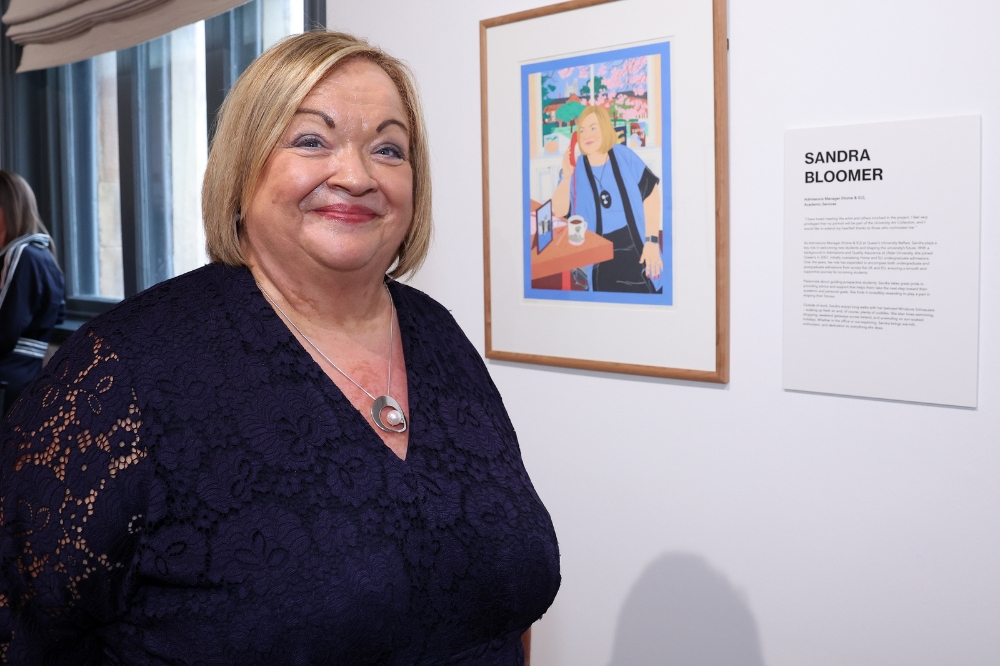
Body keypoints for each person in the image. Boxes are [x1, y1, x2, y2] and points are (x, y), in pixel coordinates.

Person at [0, 32, 559, 664]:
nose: (356, 175)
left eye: (388, 147)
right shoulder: (121, 372)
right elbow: (22, 626)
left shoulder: (440, 337)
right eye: (312, 139)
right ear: (242, 168)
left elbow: (508, 599)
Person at [551, 105, 663, 293]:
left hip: (636, 245)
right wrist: (567, 177)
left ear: (604, 129)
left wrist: (651, 241)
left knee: (648, 292)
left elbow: (650, 193)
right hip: (599, 256)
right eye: (583, 130)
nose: (587, 135)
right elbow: (559, 210)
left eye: (593, 128)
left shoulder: (623, 155)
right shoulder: (576, 169)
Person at [0, 170, 64, 416]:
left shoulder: (20, 254)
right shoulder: (41, 254)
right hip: (25, 376)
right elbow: (58, 314)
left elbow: (5, 331)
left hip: (8, 379)